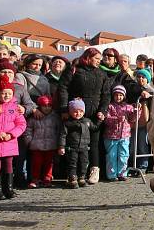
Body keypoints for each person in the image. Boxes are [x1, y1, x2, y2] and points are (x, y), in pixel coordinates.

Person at [58, 48, 110, 184]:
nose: (100, 61)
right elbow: (62, 88)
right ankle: (72, 173)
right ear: (88, 57)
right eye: (97, 58)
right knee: (73, 143)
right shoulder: (74, 69)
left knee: (94, 143)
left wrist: (103, 111)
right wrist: (64, 109)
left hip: (94, 113)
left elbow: (106, 95)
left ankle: (94, 170)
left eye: (100, 59)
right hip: (76, 112)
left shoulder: (102, 74)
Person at [59, 99, 101, 189]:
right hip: (72, 147)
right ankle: (72, 179)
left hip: (84, 147)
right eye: (75, 111)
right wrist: (61, 146)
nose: (78, 113)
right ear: (70, 112)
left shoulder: (87, 121)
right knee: (72, 163)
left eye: (81, 111)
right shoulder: (67, 123)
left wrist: (99, 120)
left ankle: (82, 177)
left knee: (84, 163)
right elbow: (63, 135)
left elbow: (95, 128)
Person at [24, 95, 61, 188]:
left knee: (49, 163)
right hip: (36, 145)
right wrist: (29, 141)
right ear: (40, 106)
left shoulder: (55, 117)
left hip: (51, 145)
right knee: (36, 163)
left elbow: (59, 130)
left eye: (49, 106)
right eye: (44, 106)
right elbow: (28, 129)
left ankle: (47, 179)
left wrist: (58, 142)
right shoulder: (34, 117)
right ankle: (35, 179)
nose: (47, 108)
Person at [104, 85, 138, 181]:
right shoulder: (110, 106)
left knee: (124, 155)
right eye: (116, 95)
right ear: (113, 95)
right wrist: (117, 119)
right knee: (112, 156)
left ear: (124, 96)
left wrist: (137, 111)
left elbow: (133, 119)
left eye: (120, 95)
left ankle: (122, 173)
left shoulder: (128, 107)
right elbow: (106, 119)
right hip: (111, 136)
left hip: (124, 136)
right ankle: (111, 175)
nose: (118, 97)